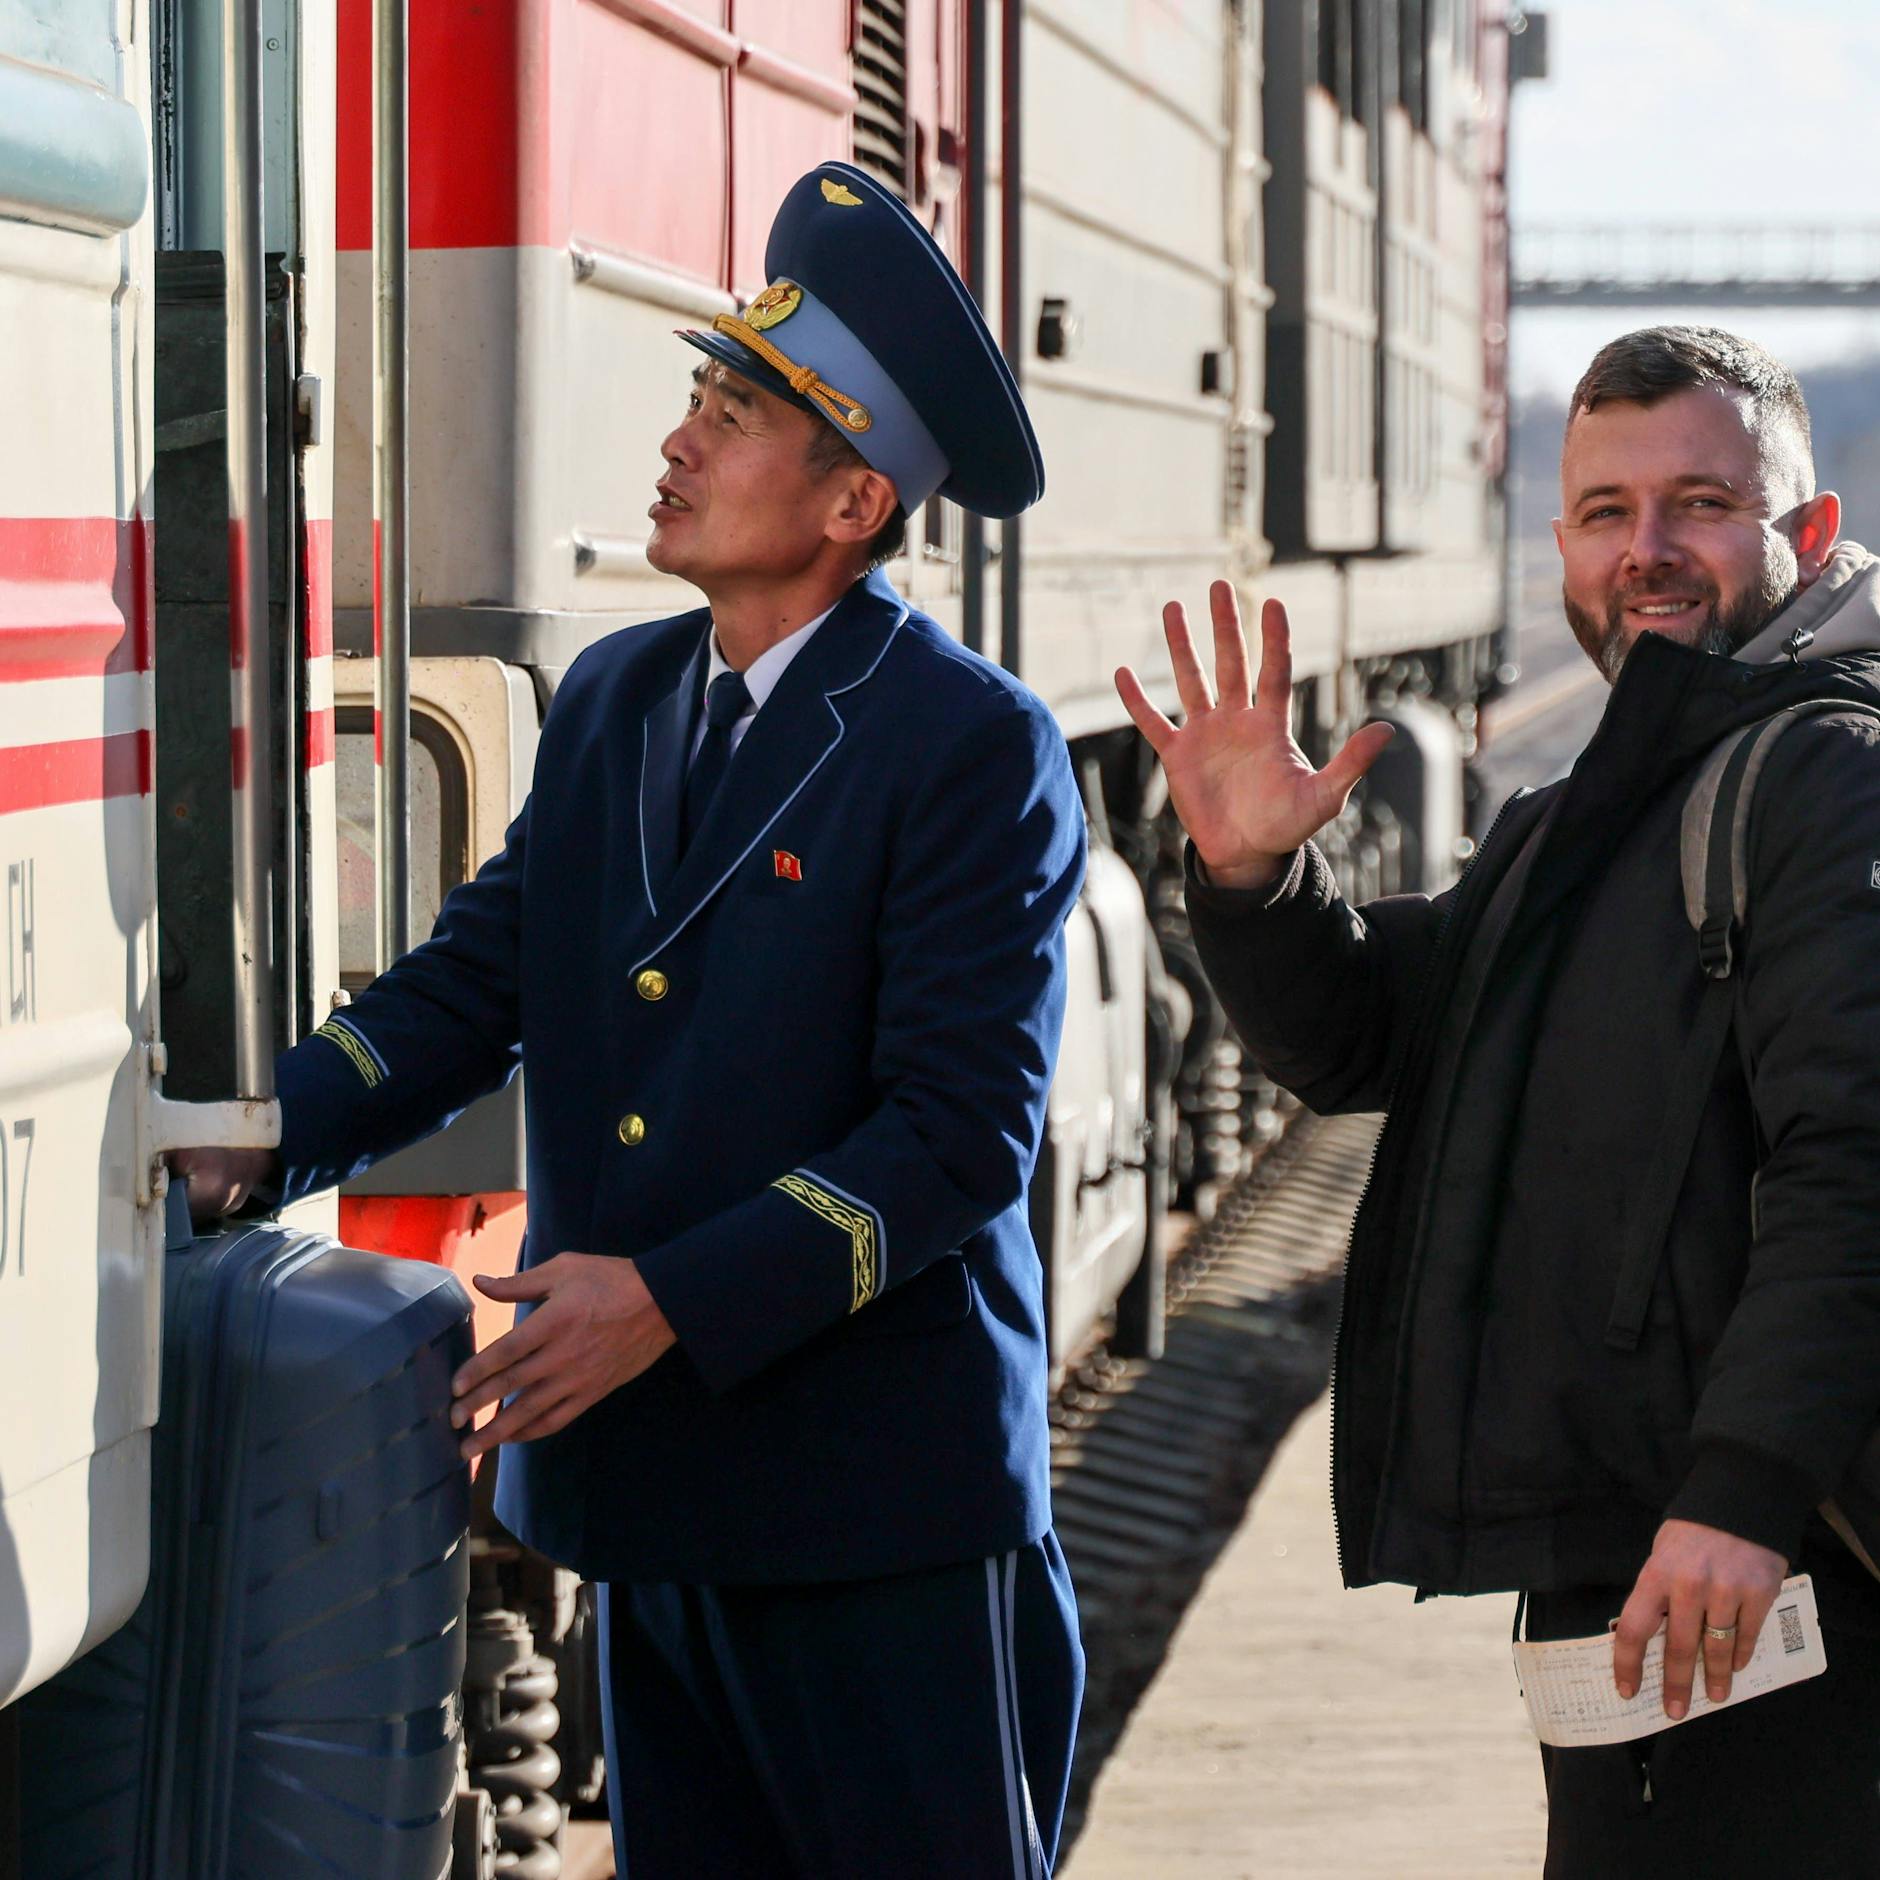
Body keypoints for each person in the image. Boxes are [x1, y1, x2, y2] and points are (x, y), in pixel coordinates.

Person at [179, 161, 1086, 1879]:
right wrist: (264, 1135)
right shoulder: (618, 697)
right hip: (656, 1499)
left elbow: (957, 1137)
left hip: (874, 1514)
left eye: (735, 416)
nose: (679, 439)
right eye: (700, 396)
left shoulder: (967, 744)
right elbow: (474, 984)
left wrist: (670, 1299)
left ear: (853, 501)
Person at [1116, 326, 1880, 1875]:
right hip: (1644, 1562)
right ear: (1563, 545)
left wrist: (1744, 1493)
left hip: (1781, 1574)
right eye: (1605, 512)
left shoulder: (1827, 778)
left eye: (1700, 504)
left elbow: (1857, 1162)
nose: (1645, 550)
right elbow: (1374, 1039)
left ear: (1805, 534)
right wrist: (1254, 880)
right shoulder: (1593, 807)